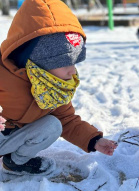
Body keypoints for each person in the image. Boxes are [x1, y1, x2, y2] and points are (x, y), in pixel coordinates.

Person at [0, 0, 118, 175]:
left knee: (52, 125)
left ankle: (15, 162)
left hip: (13, 137)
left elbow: (67, 120)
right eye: (65, 64)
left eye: (75, 63)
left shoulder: (54, 86)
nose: (72, 71)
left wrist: (94, 140)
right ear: (39, 59)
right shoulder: (4, 75)